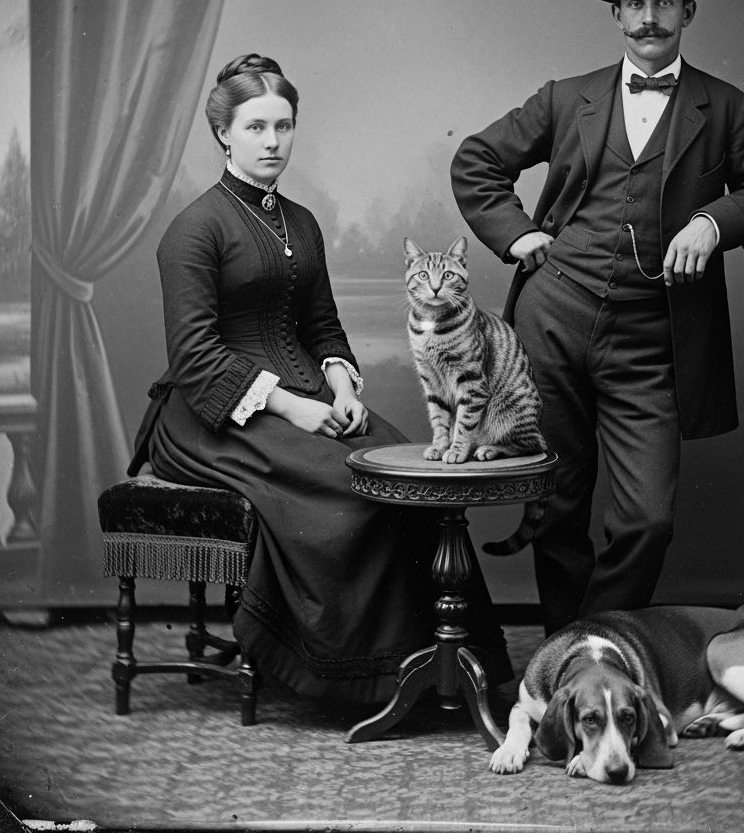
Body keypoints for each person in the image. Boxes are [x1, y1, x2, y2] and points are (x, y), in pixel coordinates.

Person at [131, 53, 511, 702]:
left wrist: (338, 390)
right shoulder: (194, 229)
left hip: (308, 395)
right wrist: (293, 408)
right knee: (350, 491)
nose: (273, 141)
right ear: (224, 133)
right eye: (255, 128)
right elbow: (194, 356)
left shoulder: (301, 222)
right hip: (208, 417)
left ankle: (447, 662)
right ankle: (368, 676)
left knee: (407, 473)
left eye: (283, 126)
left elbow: (323, 326)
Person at [451, 0, 744, 636]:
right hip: (554, 318)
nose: (649, 19)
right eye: (635, 3)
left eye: (664, 2)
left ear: (688, 12)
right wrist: (519, 236)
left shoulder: (727, 107)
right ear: (616, 15)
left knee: (646, 517)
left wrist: (711, 220)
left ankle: (591, 644)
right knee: (556, 500)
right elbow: (477, 160)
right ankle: (560, 658)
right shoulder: (567, 98)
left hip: (655, 335)